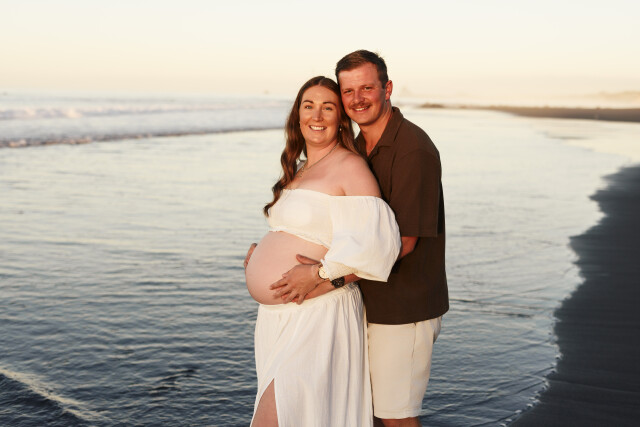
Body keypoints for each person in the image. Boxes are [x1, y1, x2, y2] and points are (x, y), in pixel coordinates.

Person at [265, 51, 449, 427]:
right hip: (360, 304)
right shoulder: (359, 148)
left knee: (395, 417)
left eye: (367, 88)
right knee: (364, 414)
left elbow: (403, 242)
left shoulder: (412, 150)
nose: (357, 99)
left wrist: (321, 277)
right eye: (348, 91)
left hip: (402, 309)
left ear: (387, 89)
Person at [244, 75, 401, 427]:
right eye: (309, 106)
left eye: (328, 107)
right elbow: (302, 231)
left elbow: (380, 246)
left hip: (318, 315)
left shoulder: (349, 166)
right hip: (277, 319)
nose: (317, 116)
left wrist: (320, 274)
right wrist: (260, 253)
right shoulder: (299, 168)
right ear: (297, 115)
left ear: (340, 118)